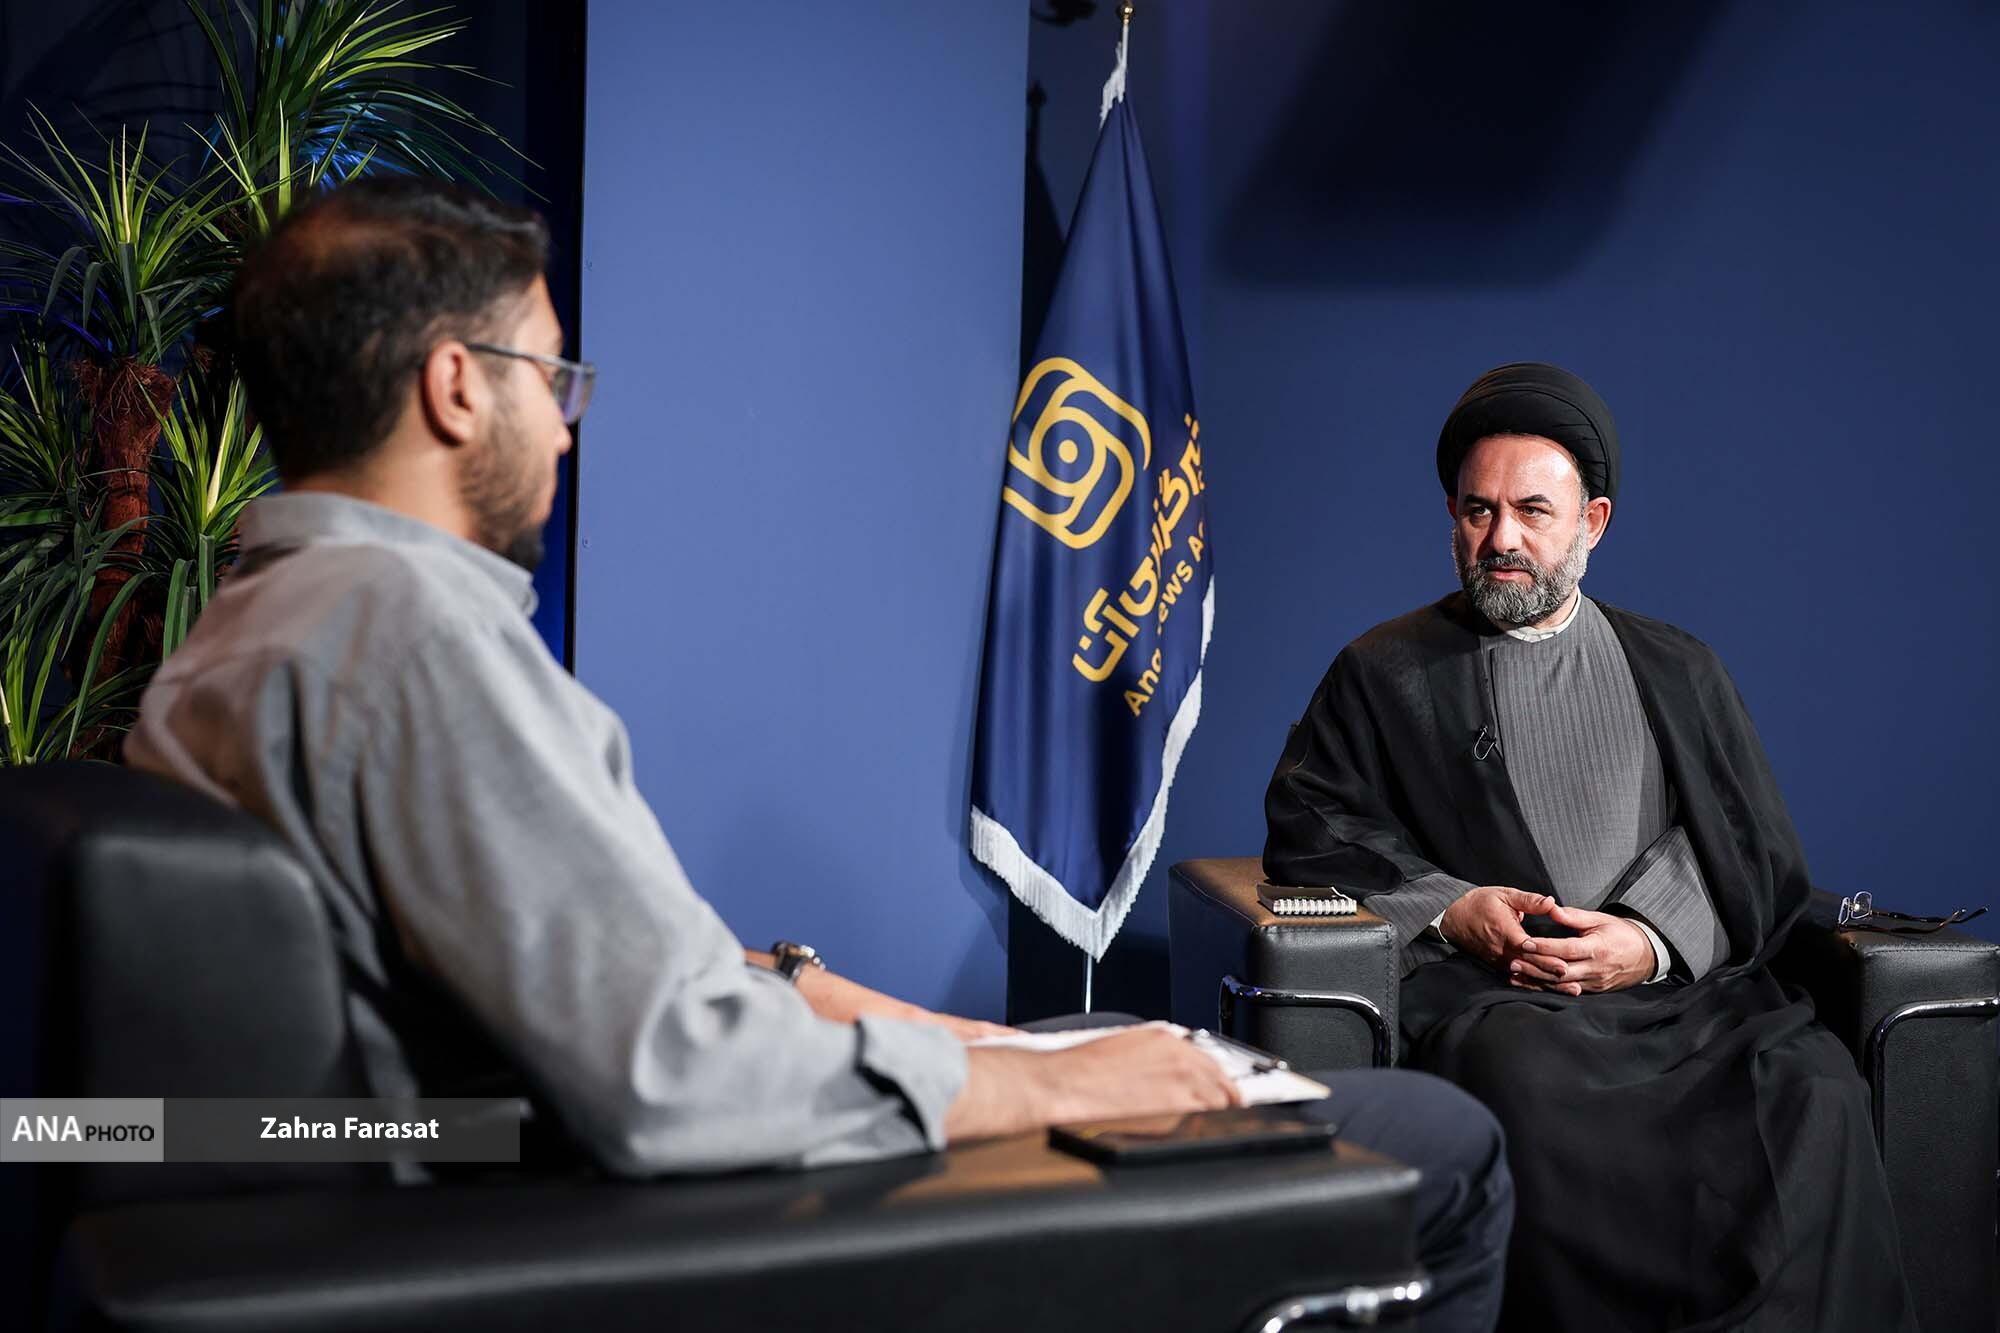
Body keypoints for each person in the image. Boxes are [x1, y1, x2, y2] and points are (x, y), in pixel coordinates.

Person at [125, 179, 1512, 1331]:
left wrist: (822, 993)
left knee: (1087, 1038)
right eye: (551, 376)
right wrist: (1053, 1085)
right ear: (452, 388)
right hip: (629, 1213)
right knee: (1439, 1141)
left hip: (530, 1148)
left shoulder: (245, 635)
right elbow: (671, 1082)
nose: (563, 421)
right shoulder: (418, 640)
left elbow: (546, 985)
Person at [1262, 361, 1914, 1332]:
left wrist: (1644, 941)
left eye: (1532, 511)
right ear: (1452, 516)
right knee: (1521, 1084)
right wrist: (1453, 907)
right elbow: (1313, 823)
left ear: (1591, 522)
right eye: (1478, 511)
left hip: (1684, 1001)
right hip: (1505, 997)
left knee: (1811, 1085)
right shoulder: (1385, 671)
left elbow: (1745, 841)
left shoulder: (1676, 667)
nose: (1502, 539)